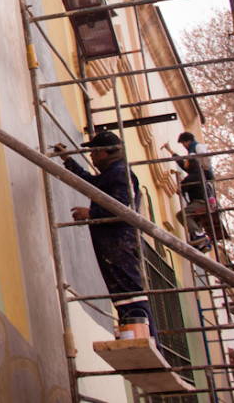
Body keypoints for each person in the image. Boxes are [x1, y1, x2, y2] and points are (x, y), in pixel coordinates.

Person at [55, 131, 154, 336]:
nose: (91, 155)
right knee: (123, 298)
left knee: (130, 296)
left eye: (92, 151)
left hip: (120, 243)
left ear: (102, 153)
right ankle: (136, 337)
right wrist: (68, 160)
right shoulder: (113, 173)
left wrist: (92, 213)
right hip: (116, 243)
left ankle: (144, 340)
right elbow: (91, 185)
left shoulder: (119, 173)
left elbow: (123, 208)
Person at [163, 131, 216, 251]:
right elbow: (183, 164)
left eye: (183, 144)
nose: (184, 162)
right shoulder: (196, 172)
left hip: (203, 201)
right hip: (207, 200)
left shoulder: (196, 151)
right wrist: (171, 151)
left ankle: (199, 235)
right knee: (192, 216)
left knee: (183, 214)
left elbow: (181, 188)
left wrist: (181, 185)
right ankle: (202, 242)